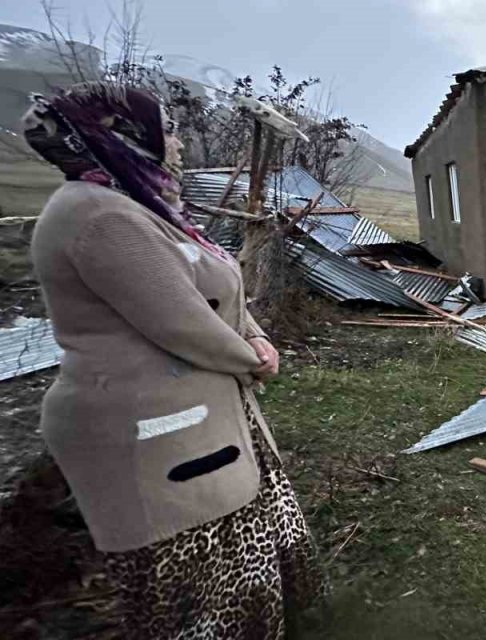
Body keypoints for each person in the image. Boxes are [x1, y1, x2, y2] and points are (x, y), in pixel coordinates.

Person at [25, 82, 323, 638]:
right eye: (169, 129)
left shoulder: (143, 204)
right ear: (121, 133)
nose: (179, 141)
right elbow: (181, 321)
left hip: (205, 414)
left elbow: (218, 289)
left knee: (250, 541)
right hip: (152, 430)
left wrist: (255, 336)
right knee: (202, 584)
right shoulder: (100, 216)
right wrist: (251, 358)